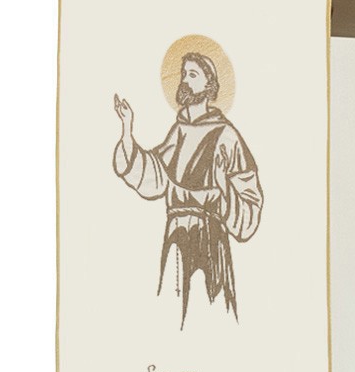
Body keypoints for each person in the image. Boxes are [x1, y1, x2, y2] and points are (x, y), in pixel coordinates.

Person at [113, 53, 263, 328]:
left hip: (209, 239)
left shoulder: (226, 135)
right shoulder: (178, 131)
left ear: (209, 85)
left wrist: (223, 189)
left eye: (193, 75)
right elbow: (155, 177)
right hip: (176, 237)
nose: (184, 80)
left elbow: (250, 205)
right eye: (183, 74)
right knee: (171, 316)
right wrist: (127, 130)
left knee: (207, 316)